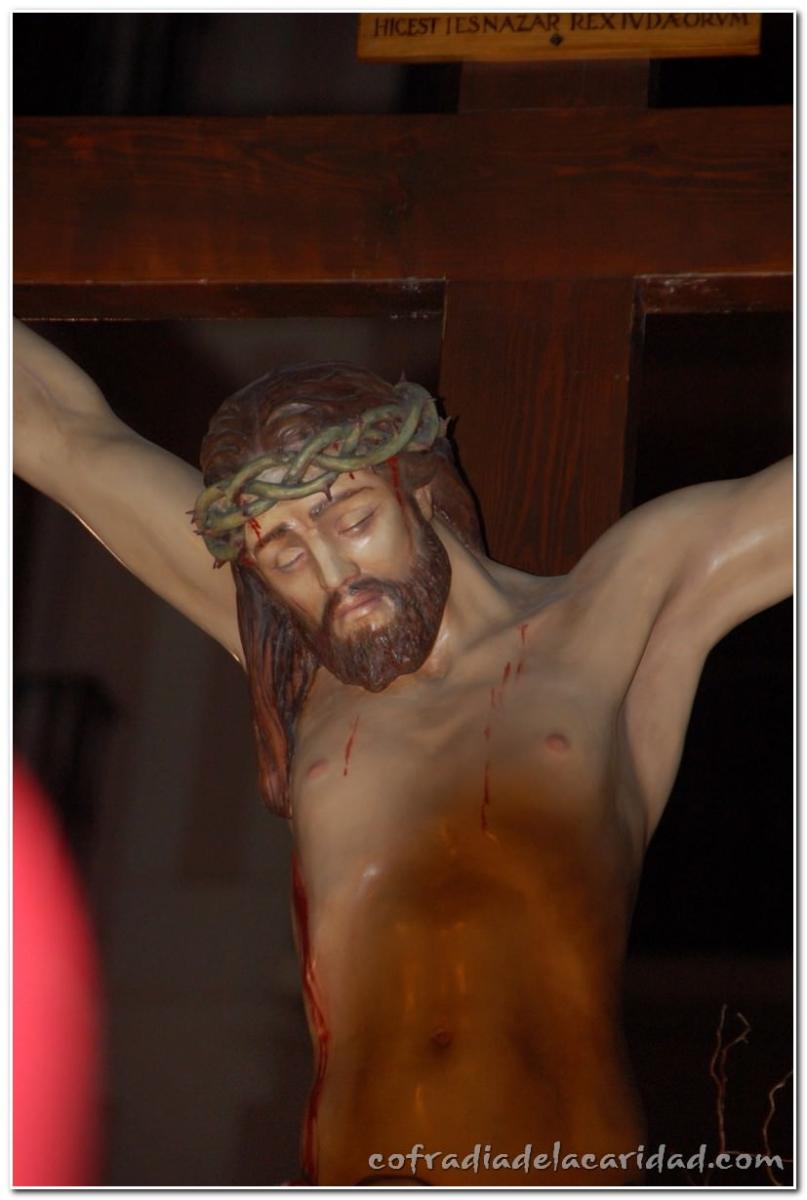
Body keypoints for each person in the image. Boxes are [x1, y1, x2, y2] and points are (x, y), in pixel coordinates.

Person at [14, 319, 792, 1187]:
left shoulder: (607, 621)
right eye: (285, 556)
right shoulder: (305, 674)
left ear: (415, 485)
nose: (333, 575)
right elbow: (57, 431)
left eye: (351, 519)